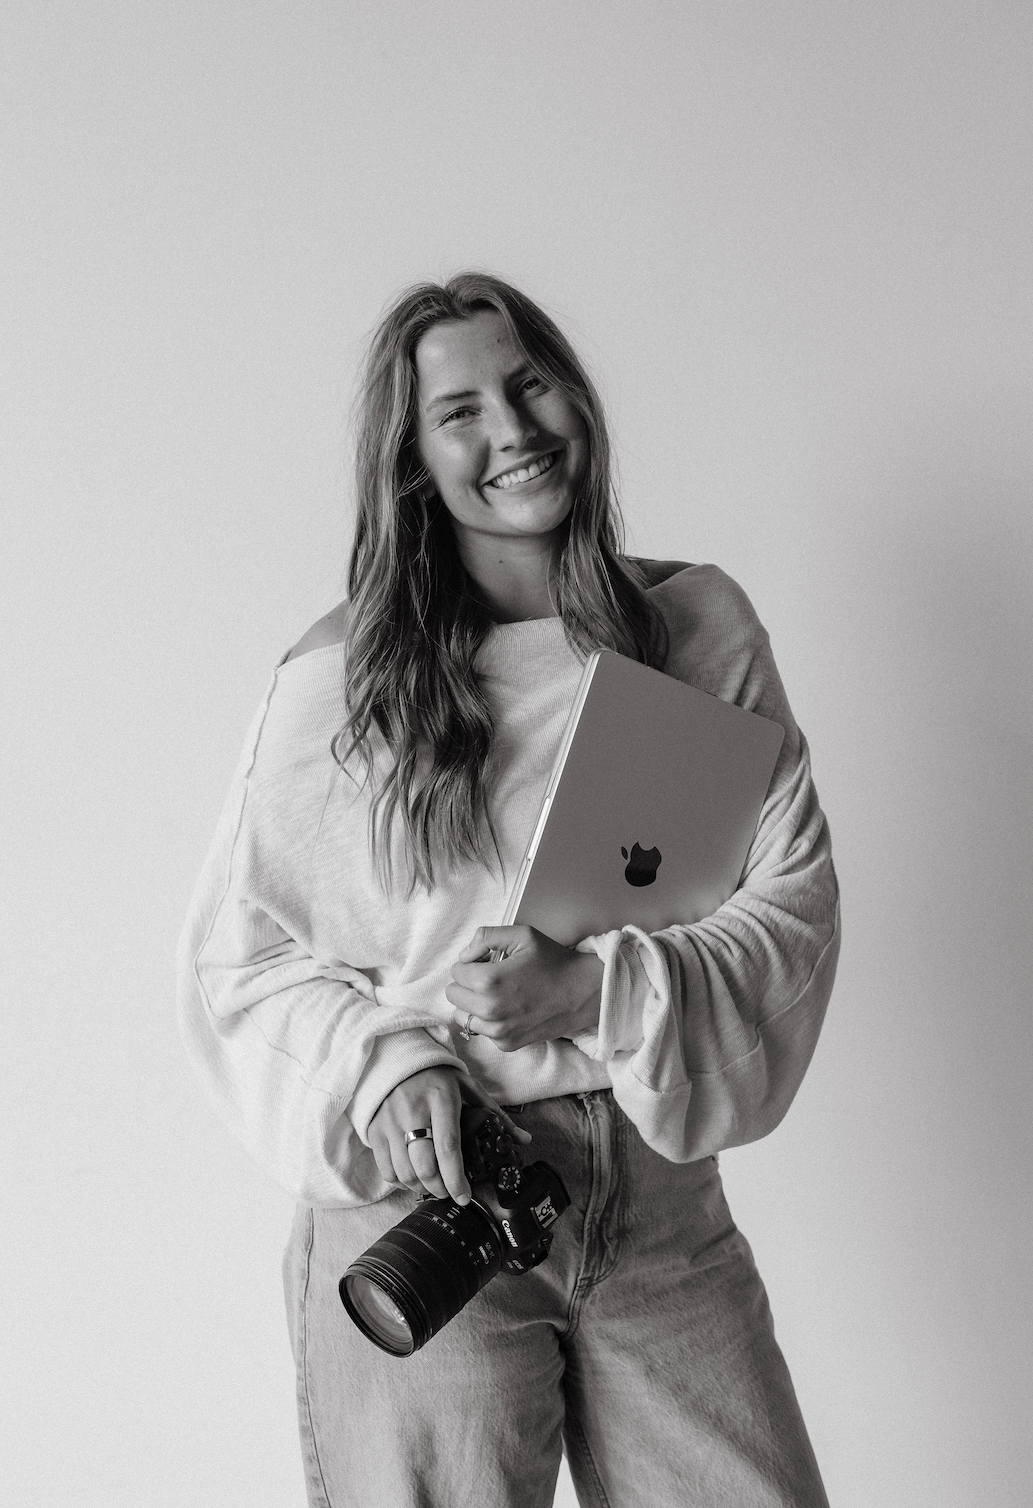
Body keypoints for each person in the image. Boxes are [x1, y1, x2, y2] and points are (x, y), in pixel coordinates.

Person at [177, 272, 840, 1508]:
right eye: (461, 409)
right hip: (428, 1197)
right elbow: (238, 958)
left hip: (657, 1200)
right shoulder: (343, 680)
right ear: (416, 461)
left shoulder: (699, 631)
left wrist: (594, 987)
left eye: (529, 383)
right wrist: (390, 1062)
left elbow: (791, 905)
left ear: (575, 398)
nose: (514, 430)